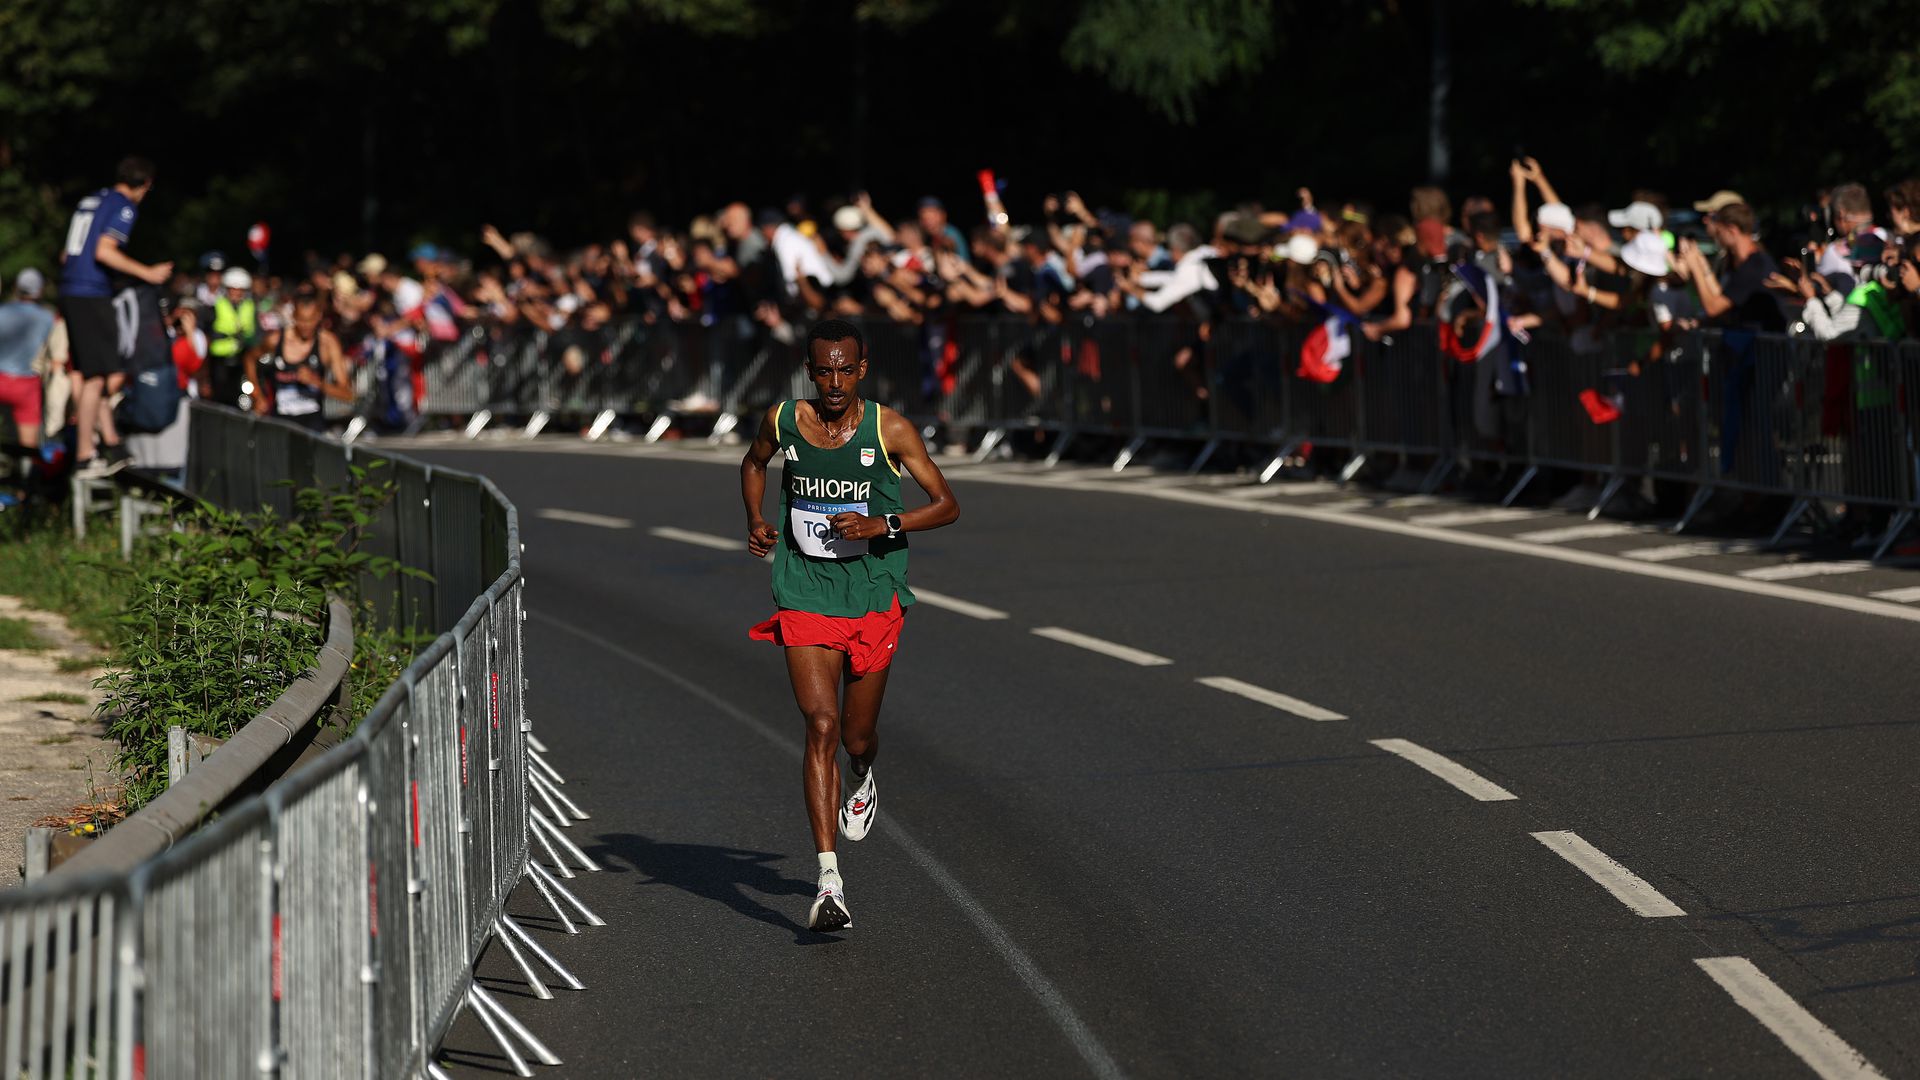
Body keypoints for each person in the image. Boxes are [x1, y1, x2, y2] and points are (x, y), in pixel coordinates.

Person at [738, 318, 960, 932]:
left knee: (858, 736)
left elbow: (947, 505)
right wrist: (756, 518)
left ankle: (863, 773)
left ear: (862, 370)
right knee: (822, 724)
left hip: (871, 596)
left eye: (846, 369)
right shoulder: (785, 422)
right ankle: (828, 879)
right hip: (804, 591)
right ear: (810, 371)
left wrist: (880, 526)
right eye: (824, 369)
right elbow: (752, 464)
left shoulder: (890, 429)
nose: (835, 381)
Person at [58, 156, 171, 473]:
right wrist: (147, 273)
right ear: (145, 185)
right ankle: (84, 455)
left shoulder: (92, 199)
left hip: (70, 289)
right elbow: (104, 250)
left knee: (97, 369)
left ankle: (111, 442)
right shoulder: (124, 206)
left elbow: (67, 252)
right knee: (96, 376)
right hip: (90, 293)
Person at [245, 294, 352, 431]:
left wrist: (316, 382)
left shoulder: (328, 343)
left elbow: (347, 394)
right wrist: (257, 395)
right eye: (301, 320)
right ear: (293, 317)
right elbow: (249, 358)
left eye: (311, 320)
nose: (306, 326)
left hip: (313, 425)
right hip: (281, 422)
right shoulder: (276, 340)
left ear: (319, 316)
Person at [0, 270, 56, 450]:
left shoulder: (3, 312)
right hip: (27, 384)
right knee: (29, 447)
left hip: (1, 377)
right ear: (39, 291)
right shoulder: (48, 318)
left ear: (17, 288)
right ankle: (27, 475)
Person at [208, 267, 259, 406]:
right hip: (220, 358)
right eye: (233, 289)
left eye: (240, 290)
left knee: (242, 394)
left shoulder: (249, 306)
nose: (236, 293)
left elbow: (254, 331)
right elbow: (210, 330)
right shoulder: (217, 304)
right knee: (220, 395)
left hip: (242, 357)